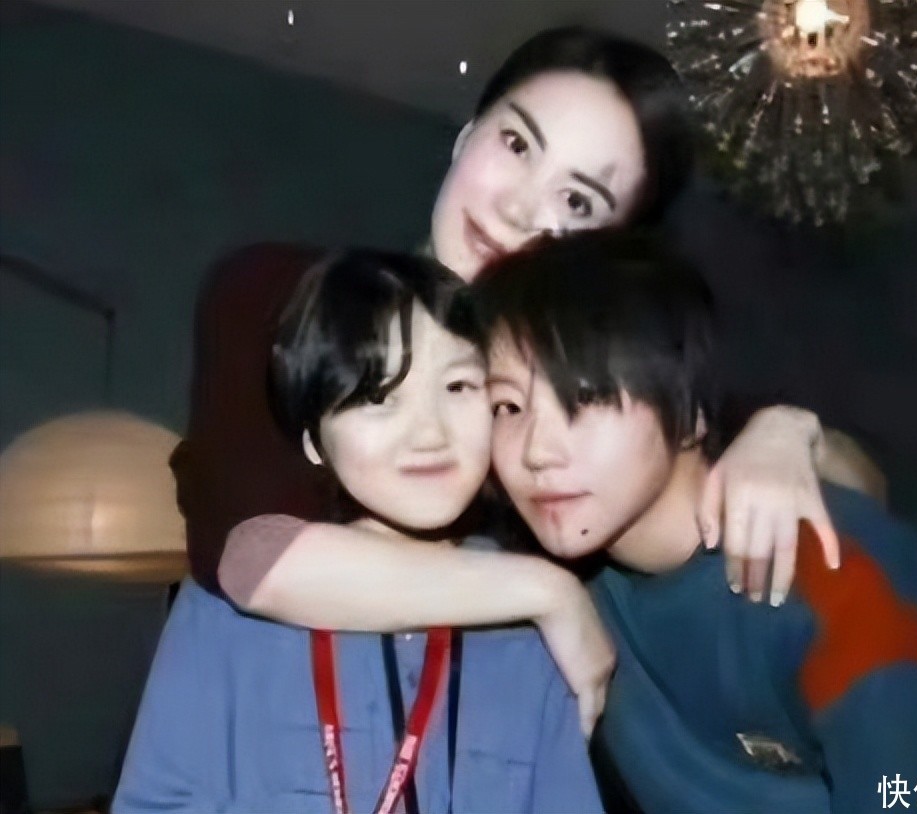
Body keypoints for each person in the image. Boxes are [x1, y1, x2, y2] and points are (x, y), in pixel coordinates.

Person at [193, 26, 876, 729]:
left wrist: (785, 435)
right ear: (467, 137)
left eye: (577, 202)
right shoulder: (289, 298)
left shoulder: (592, 400)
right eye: (517, 145)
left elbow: (858, 483)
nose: (518, 209)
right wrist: (546, 591)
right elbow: (256, 560)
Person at [469, 229, 917, 812]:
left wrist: (795, 431)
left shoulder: (824, 569)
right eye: (508, 407)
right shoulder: (560, 586)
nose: (536, 451)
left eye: (587, 397)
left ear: (691, 412)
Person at [115, 250, 603, 813]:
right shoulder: (220, 616)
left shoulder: (529, 630)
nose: (429, 434)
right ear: (314, 442)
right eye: (377, 397)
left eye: (457, 387)